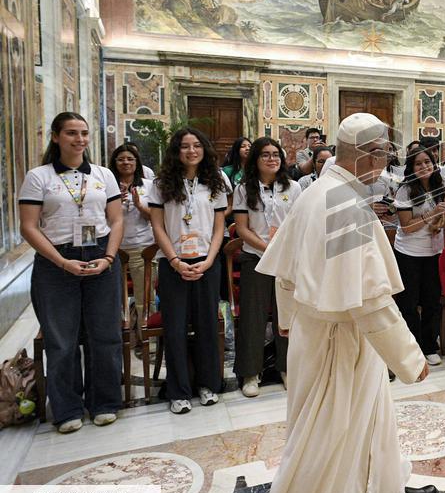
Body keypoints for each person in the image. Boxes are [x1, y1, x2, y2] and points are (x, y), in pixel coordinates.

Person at [256, 112, 435, 493]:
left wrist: (286, 320)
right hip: (342, 342)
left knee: (367, 421)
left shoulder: (318, 192)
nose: (387, 164)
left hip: (311, 332)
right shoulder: (344, 206)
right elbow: (368, 299)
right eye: (384, 154)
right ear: (367, 155)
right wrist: (408, 359)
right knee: (331, 433)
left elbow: (285, 271)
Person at [19, 112, 124, 433]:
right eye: (71, 133)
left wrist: (108, 257)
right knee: (62, 339)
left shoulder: (104, 174)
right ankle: (67, 408)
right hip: (56, 262)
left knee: (105, 335)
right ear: (55, 137)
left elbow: (117, 220)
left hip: (100, 257)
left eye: (84, 134)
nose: (79, 140)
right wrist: (61, 262)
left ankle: (104, 402)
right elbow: (28, 226)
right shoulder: (39, 177)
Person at [147, 127, 228, 415]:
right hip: (174, 263)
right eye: (184, 146)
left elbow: (220, 226)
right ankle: (178, 391)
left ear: (204, 149)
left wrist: (209, 260)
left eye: (196, 145)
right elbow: (157, 225)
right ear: (176, 151)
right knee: (176, 328)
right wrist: (173, 260)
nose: (191, 151)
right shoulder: (160, 184)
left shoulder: (216, 182)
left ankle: (208, 385)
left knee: (207, 324)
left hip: (207, 261)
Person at [233, 138, 302, 397]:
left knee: (287, 315)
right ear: (256, 160)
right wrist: (267, 248)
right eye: (265, 155)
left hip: (286, 259)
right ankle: (251, 373)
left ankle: (287, 368)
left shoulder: (293, 187)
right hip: (256, 258)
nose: (272, 159)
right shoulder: (244, 189)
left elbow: (299, 223)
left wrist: (282, 250)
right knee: (254, 316)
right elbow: (241, 228)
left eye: (276, 154)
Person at [393, 146, 445, 366]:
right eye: (418, 163)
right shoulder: (405, 191)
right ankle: (412, 347)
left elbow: (443, 218)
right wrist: (432, 215)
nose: (424, 166)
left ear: (434, 164)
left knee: (432, 301)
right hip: (408, 253)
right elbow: (407, 227)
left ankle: (429, 345)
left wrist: (439, 221)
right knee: (409, 303)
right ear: (411, 168)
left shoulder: (439, 186)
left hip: (434, 252)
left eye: (427, 162)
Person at [109, 144, 156, 348]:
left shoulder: (148, 185)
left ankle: (147, 336)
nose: (126, 163)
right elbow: (100, 217)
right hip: (113, 247)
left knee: (145, 296)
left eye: (130, 159)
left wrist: (138, 205)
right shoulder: (107, 185)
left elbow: (154, 217)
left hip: (142, 245)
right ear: (114, 163)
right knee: (114, 297)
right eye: (121, 159)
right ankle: (122, 335)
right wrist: (115, 201)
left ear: (137, 162)